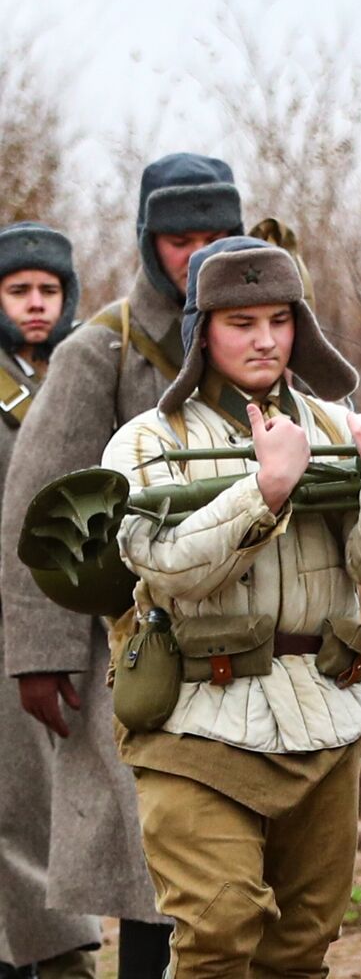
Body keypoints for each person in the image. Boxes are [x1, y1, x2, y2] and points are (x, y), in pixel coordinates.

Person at [101, 236, 361, 975]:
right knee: (218, 929)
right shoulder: (149, 441)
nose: (264, 339)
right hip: (195, 722)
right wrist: (266, 489)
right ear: (201, 332)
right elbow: (169, 567)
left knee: (302, 945)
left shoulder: (338, 430)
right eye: (240, 322)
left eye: (280, 320)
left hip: (325, 716)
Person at [1, 152, 246, 977]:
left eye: (214, 237)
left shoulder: (266, 335)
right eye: (179, 240)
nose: (196, 255)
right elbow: (40, 511)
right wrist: (40, 654)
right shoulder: (102, 349)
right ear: (149, 241)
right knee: (153, 859)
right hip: (138, 642)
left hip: (252, 633)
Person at [0, 221, 98, 979]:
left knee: (65, 806)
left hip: (72, 618)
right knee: (19, 806)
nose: (36, 303)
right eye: (18, 290)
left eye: (49, 289)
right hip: (8, 622)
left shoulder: (83, 373)